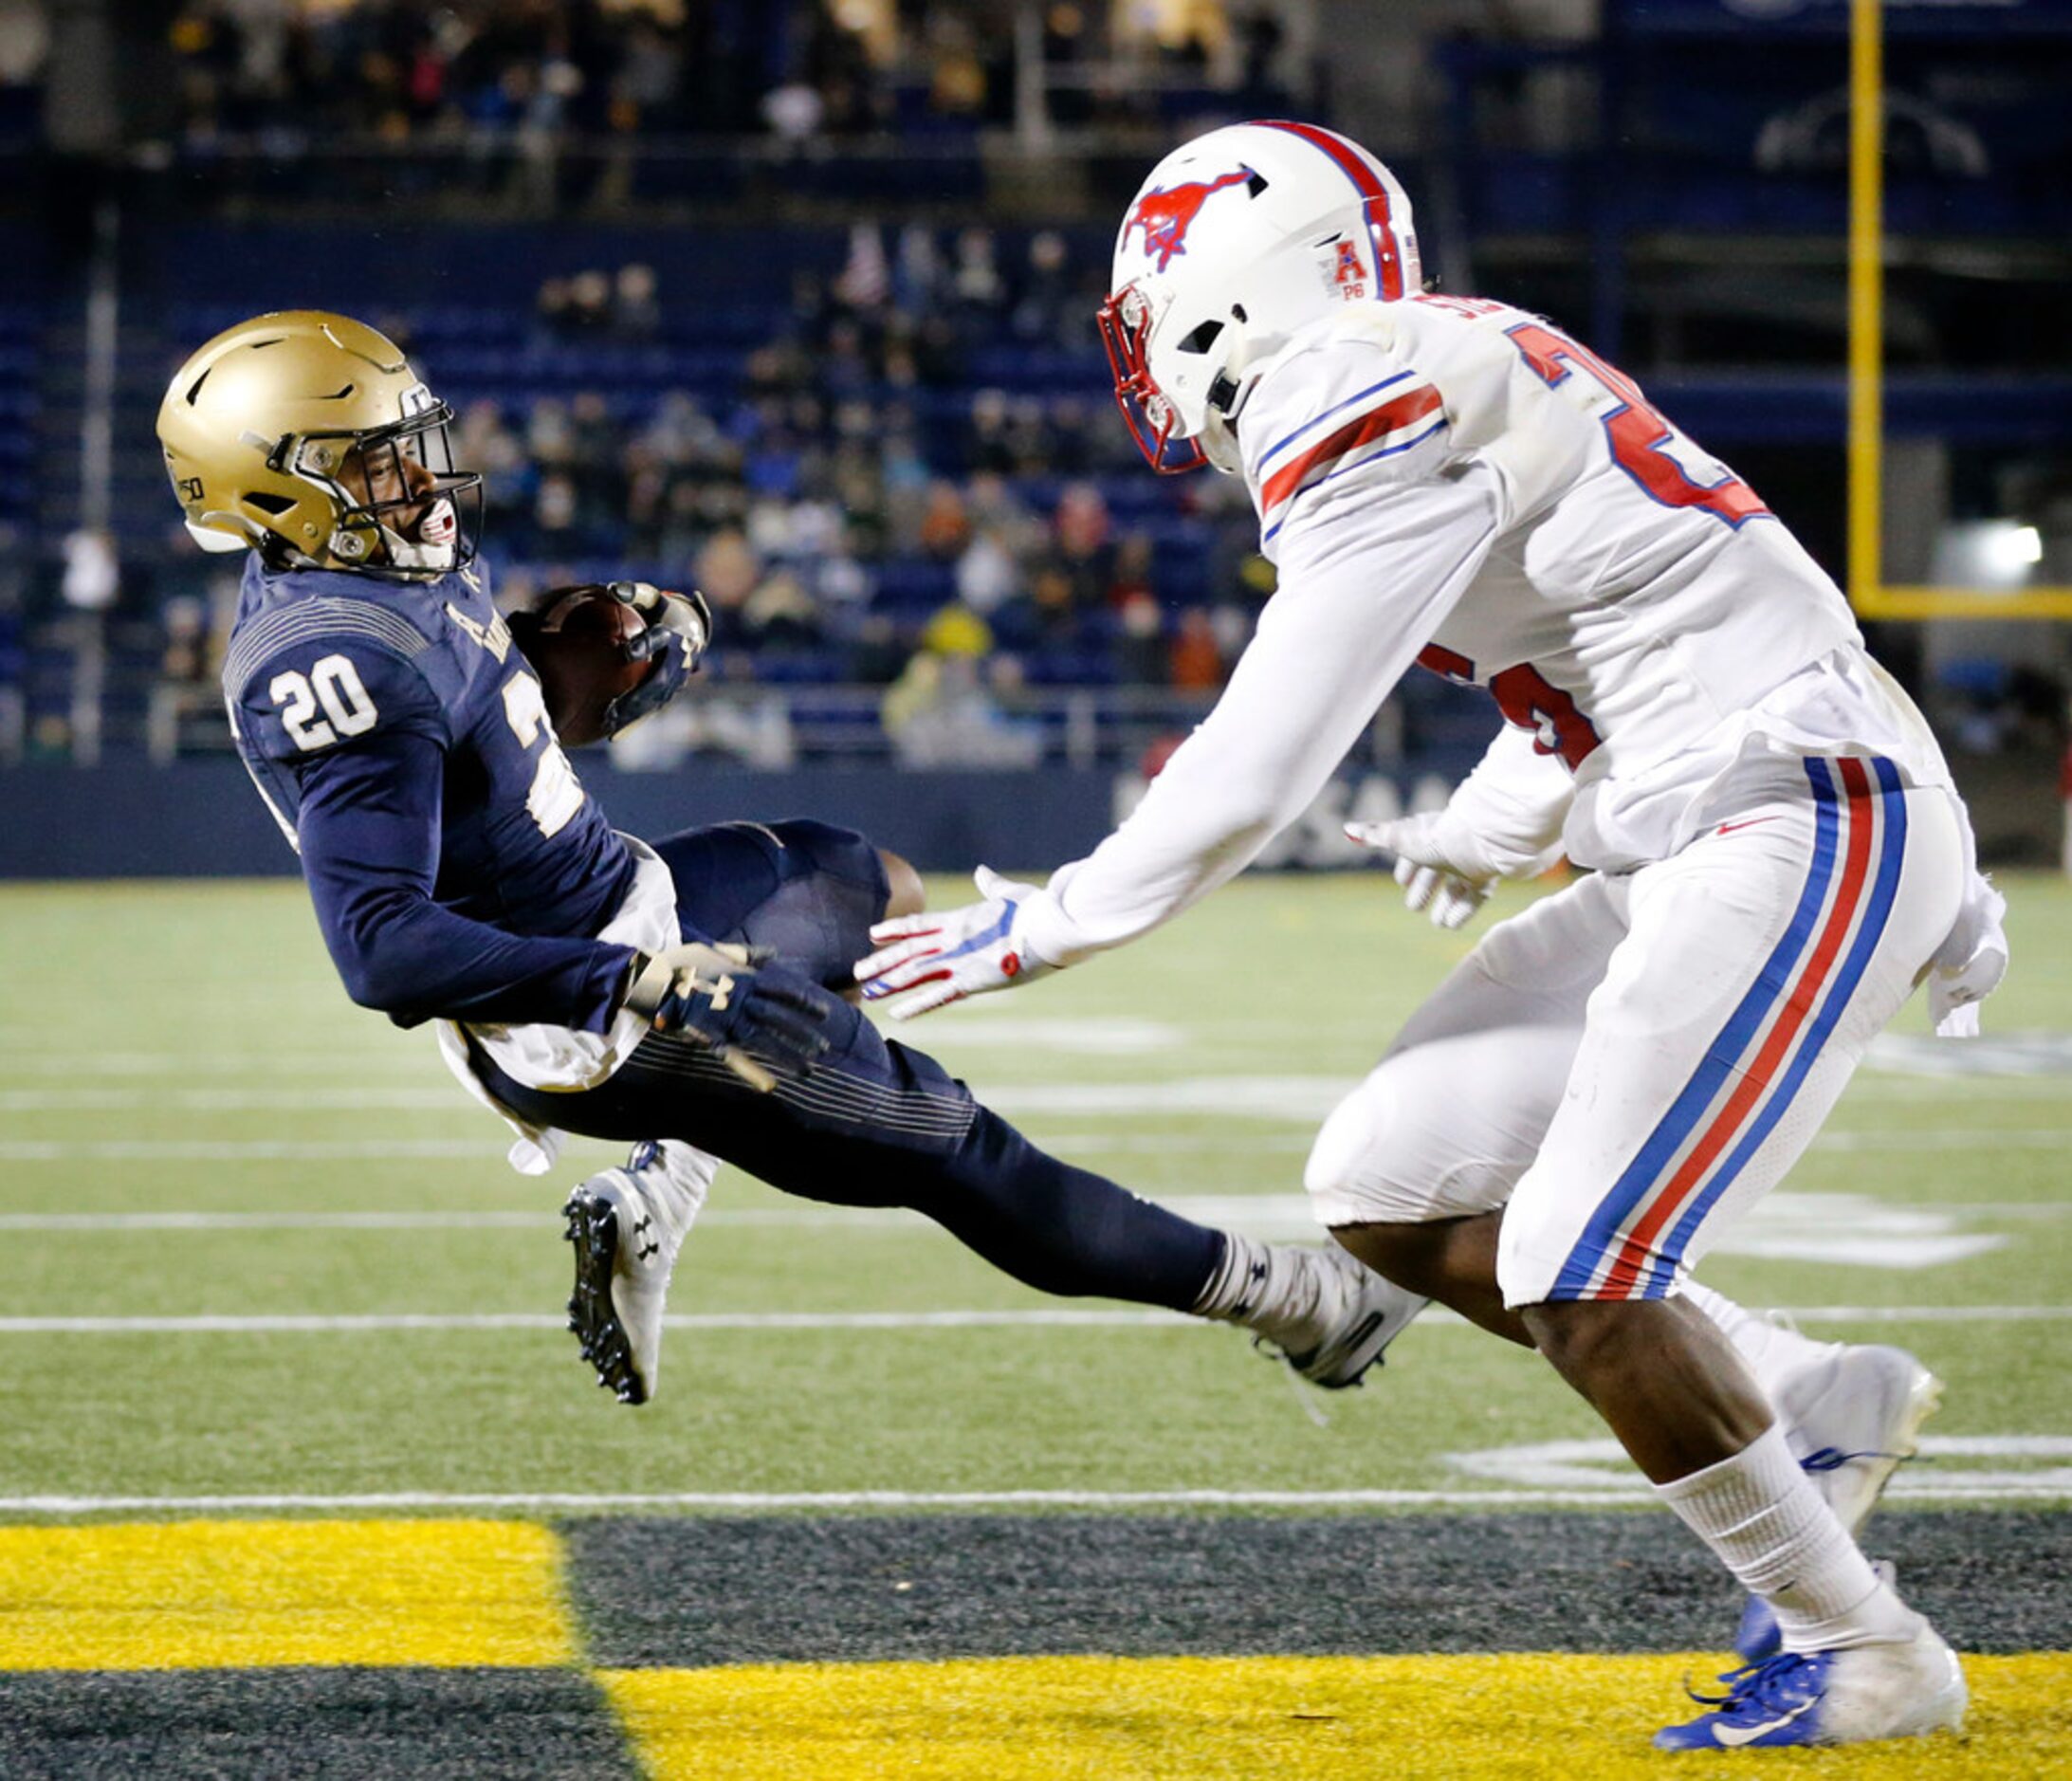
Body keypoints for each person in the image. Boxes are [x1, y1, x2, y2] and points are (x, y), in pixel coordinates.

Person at [854, 122, 2010, 1752]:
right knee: (1385, 1188)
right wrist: (1482, 824)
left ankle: (1868, 1649)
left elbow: (1259, 762)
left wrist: (1046, 925)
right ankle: (1804, 1400)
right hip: (1702, 814)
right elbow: (1599, 622)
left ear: (1217, 285)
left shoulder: (1349, 382)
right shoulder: (1433, 355)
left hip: (1800, 806)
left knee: (1577, 1265)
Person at [153, 308, 1420, 1414]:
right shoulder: (328, 662)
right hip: (586, 1016)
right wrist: (653, 985)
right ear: (277, 496)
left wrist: (600, 656)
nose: (416, 476)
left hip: (620, 891)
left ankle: (657, 1205)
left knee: (875, 888)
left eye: (407, 439)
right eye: (372, 461)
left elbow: (489, 712)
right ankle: (1302, 1304)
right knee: (957, 1148)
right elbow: (383, 948)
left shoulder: (384, 562)